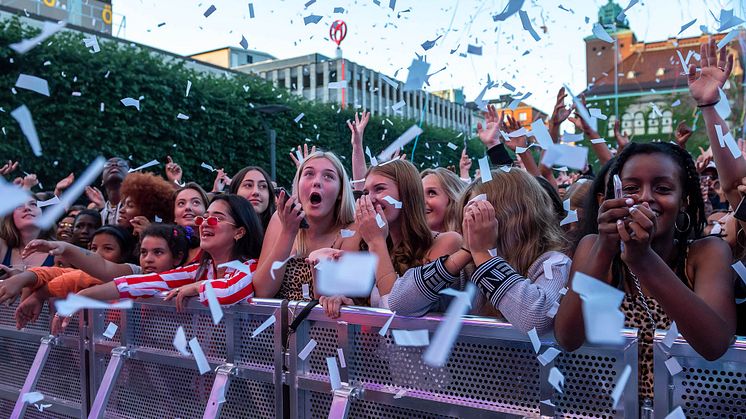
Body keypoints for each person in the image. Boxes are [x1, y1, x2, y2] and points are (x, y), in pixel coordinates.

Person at [554, 141, 735, 403]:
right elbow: (567, 337)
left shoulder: (707, 253)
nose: (645, 197)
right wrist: (606, 247)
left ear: (684, 201)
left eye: (662, 188)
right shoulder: (592, 247)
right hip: (611, 408)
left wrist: (643, 260)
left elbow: (714, 344)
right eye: (631, 188)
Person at [387, 168, 570, 335]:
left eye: (479, 214)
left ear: (514, 215)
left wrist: (484, 255)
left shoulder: (554, 263)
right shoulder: (467, 269)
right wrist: (466, 250)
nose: (470, 223)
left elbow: (534, 319)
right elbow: (400, 302)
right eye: (467, 215)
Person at [338, 159, 462, 313]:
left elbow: (394, 310)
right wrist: (344, 301)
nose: (370, 199)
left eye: (379, 189)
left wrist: (376, 242)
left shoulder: (448, 241)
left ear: (406, 194)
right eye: (365, 193)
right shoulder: (378, 245)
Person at [108, 195, 263, 308]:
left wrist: (197, 286)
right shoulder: (201, 269)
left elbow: (229, 292)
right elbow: (154, 281)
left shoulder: (251, 267)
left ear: (239, 232)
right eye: (202, 219)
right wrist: (85, 297)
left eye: (215, 219)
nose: (204, 224)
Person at [253, 151, 358, 300]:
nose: (317, 182)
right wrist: (288, 232)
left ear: (340, 192)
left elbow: (331, 305)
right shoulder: (280, 219)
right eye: (309, 174)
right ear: (298, 185)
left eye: (328, 176)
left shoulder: (350, 231)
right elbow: (263, 291)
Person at [7, 226, 135, 329]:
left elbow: (74, 278)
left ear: (125, 254)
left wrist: (39, 294)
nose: (98, 254)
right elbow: (61, 274)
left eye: (107, 249)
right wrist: (26, 278)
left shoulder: (134, 273)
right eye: (93, 248)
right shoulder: (82, 274)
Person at [0, 198, 55, 274]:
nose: (27, 208)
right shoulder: (2, 247)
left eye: (33, 204)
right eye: (19, 206)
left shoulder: (59, 251)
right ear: (10, 216)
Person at [229, 166, 276, 231]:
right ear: (235, 191)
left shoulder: (283, 228)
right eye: (248, 185)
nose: (256, 192)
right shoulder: (221, 229)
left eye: (262, 186)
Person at [420, 168, 466, 233]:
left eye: (431, 193)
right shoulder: (407, 240)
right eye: (419, 194)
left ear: (452, 199)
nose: (421, 200)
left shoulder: (469, 241)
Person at [173, 182, 209, 262]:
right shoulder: (166, 246)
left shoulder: (216, 248)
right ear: (174, 216)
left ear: (206, 211)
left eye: (196, 202)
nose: (188, 208)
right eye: (181, 203)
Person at [90, 157, 129, 225]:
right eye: (108, 164)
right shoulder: (97, 215)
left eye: (121, 164)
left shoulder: (138, 208)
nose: (114, 165)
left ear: (129, 176)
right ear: (102, 180)